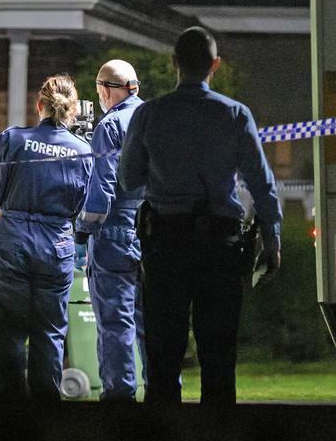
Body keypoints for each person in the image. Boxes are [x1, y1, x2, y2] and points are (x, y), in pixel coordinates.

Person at [118, 26, 280, 406]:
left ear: (174, 63)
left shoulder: (150, 115)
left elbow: (127, 180)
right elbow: (262, 183)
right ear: (215, 66)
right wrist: (272, 239)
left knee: (162, 356)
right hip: (220, 246)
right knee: (219, 357)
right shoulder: (235, 115)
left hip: (166, 243)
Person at [0, 73, 94, 400]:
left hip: (13, 241)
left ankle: (11, 415)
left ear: (39, 105)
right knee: (50, 333)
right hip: (57, 244)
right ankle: (46, 413)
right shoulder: (83, 151)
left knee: (8, 332)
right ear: (73, 110)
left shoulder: (14, 139)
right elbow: (86, 202)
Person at [74, 59, 147, 401]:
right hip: (155, 232)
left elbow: (101, 187)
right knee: (153, 324)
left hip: (116, 234)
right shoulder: (153, 119)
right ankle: (165, 396)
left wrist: (82, 232)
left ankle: (120, 401)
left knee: (117, 324)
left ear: (105, 89)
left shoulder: (111, 125)